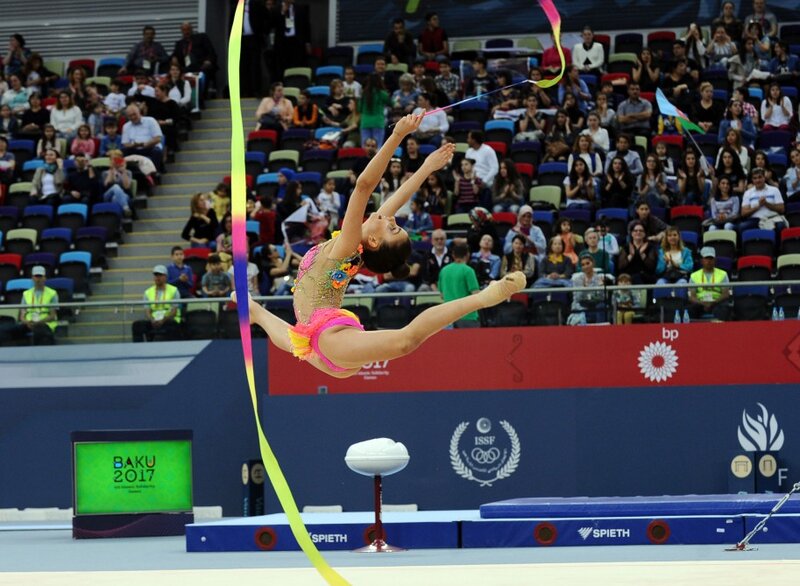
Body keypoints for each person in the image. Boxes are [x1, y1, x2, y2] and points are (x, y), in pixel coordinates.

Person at [240, 116, 522, 377]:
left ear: (375, 241)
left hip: (332, 339)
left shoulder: (349, 245)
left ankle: (484, 298)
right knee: (292, 340)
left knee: (405, 341)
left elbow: (363, 185)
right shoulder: (361, 242)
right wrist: (426, 168)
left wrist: (398, 133)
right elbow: (396, 200)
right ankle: (257, 313)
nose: (390, 217)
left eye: (392, 227)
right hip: (320, 342)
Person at [0, 266, 57, 346]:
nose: (38, 279)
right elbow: (22, 316)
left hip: (44, 324)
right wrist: (26, 322)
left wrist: (38, 322)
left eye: (40, 276)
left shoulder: (52, 293)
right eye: (36, 276)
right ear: (32, 278)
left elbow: (52, 316)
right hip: (28, 324)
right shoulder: (26, 294)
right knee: (3, 330)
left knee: (40, 333)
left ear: (45, 278)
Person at [436, 241, 482, 328]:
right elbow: (476, 294)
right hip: (468, 317)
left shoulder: (444, 271)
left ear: (453, 255)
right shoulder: (468, 271)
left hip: (448, 317)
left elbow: (442, 295)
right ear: (467, 255)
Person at [132, 265, 182, 342]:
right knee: (137, 325)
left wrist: (163, 320)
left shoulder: (174, 290)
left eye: (160, 275)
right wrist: (152, 320)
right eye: (156, 275)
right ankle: (139, 349)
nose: (157, 277)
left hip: (168, 319)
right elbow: (147, 311)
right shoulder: (148, 292)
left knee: (172, 325)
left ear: (166, 277)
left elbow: (174, 311)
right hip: (154, 320)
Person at [171, 21, 217, 97]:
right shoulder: (179, 44)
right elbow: (174, 55)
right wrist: (174, 58)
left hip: (201, 66)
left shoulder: (201, 37)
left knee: (204, 73)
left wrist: (209, 60)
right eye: (184, 30)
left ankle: (200, 99)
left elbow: (211, 52)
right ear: (181, 31)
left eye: (188, 29)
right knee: (175, 73)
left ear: (192, 29)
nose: (186, 32)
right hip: (186, 68)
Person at [688, 247, 731, 321]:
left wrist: (713, 302)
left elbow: (726, 294)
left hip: (717, 302)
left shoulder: (723, 274)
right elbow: (692, 296)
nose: (709, 261)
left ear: (715, 260)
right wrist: (703, 303)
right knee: (690, 310)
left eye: (711, 258)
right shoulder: (694, 275)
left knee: (724, 308)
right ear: (701, 260)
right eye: (706, 258)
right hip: (700, 302)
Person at [739, 167, 785, 233]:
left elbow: (782, 209)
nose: (758, 180)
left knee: (780, 226)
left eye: (760, 177)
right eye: (755, 178)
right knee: (741, 227)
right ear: (752, 180)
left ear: (764, 178)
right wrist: (758, 206)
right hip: (755, 219)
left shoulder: (774, 190)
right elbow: (743, 213)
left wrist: (766, 204)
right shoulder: (748, 193)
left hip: (772, 217)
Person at [121, 104, 164, 172]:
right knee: (121, 151)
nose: (133, 117)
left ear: (139, 112)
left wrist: (144, 144)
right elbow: (125, 143)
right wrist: (133, 145)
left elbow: (158, 138)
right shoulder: (126, 126)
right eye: (130, 116)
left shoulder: (151, 120)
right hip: (134, 148)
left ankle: (154, 173)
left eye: (134, 114)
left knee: (157, 152)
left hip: (149, 147)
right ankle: (126, 173)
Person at [569, 253, 606, 325]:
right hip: (582, 306)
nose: (585, 266)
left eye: (587, 263)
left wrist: (600, 289)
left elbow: (602, 297)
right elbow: (577, 298)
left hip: (595, 304)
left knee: (601, 306)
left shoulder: (599, 278)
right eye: (583, 265)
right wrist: (584, 288)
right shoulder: (577, 279)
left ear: (593, 263)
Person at [359, 73, 391, 148]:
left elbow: (359, 108)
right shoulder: (382, 93)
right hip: (378, 122)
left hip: (365, 122)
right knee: (377, 148)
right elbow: (391, 103)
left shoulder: (363, 93)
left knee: (365, 148)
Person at [101, 151, 134, 217]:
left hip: (124, 196)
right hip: (107, 195)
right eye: (114, 159)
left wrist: (124, 171)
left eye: (118, 159)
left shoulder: (128, 172)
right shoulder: (105, 172)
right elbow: (106, 185)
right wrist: (111, 169)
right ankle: (126, 207)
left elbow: (127, 187)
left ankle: (118, 220)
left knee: (115, 198)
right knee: (115, 186)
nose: (116, 161)